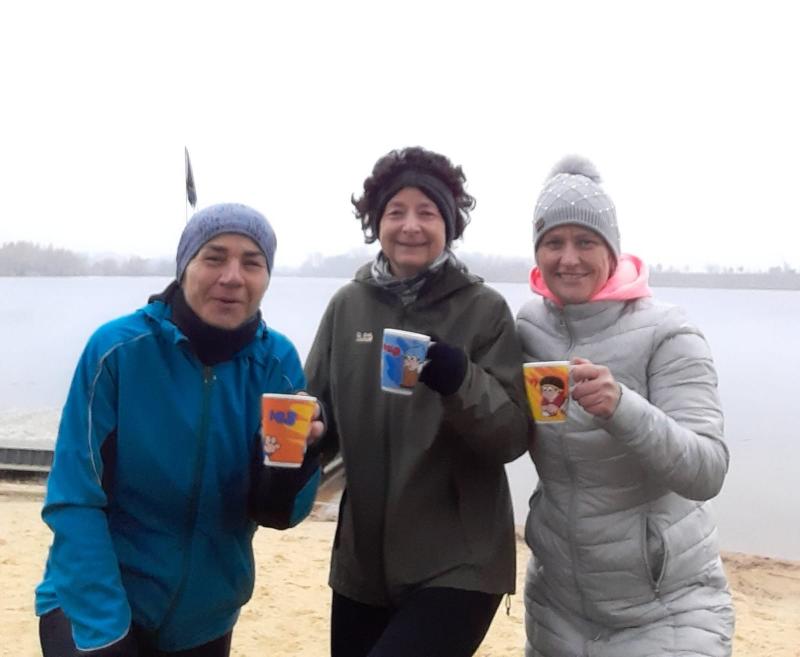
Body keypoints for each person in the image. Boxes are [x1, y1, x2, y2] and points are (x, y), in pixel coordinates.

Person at [35, 203, 324, 657]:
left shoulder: (277, 363)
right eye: (214, 258)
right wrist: (105, 632)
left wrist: (295, 466)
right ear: (184, 266)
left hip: (204, 620)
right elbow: (74, 498)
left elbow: (278, 514)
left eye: (252, 263)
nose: (232, 277)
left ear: (267, 277)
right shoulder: (117, 351)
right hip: (92, 604)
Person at [304, 146, 531, 657]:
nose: (410, 226)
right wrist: (300, 437)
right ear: (376, 223)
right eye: (396, 211)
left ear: (449, 225)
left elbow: (512, 436)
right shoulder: (347, 306)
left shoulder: (484, 310)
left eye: (427, 212)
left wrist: (460, 381)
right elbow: (314, 412)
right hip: (362, 563)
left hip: (460, 563)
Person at [516, 156, 734, 657]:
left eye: (585, 241)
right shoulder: (527, 328)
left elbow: (708, 471)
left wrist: (623, 408)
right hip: (557, 608)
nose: (568, 258)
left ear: (612, 249)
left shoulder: (668, 332)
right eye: (553, 242)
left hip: (666, 606)